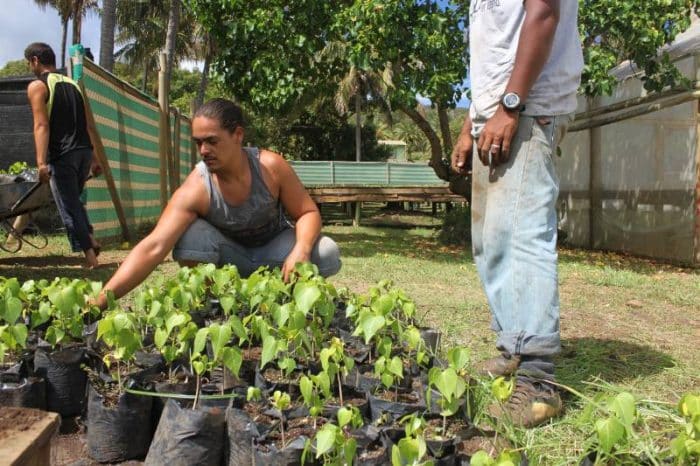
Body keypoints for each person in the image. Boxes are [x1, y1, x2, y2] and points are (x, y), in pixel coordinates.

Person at [451, 0, 583, 427]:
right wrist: (473, 122)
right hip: (495, 113)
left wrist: (510, 106)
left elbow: (543, 13)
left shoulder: (516, 106)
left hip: (526, 107)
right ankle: (515, 348)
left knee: (523, 234)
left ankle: (539, 380)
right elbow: (496, 48)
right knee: (492, 240)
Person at [96, 98, 341, 307]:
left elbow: (308, 212)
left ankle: (288, 302)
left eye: (212, 141)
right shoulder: (197, 187)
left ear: (238, 135)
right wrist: (100, 301)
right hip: (228, 259)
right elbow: (154, 246)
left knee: (325, 250)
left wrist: (302, 249)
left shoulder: (271, 167)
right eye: (198, 143)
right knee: (190, 235)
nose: (203, 150)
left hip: (274, 253)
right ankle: (215, 304)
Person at [24, 42, 102, 268]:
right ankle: (92, 239)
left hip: (63, 155)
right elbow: (89, 126)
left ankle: (89, 257)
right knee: (75, 202)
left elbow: (41, 125)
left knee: (68, 206)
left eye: (29, 63)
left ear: (36, 61)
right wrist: (95, 159)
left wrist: (40, 162)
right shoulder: (73, 84)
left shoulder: (38, 86)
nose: (30, 68)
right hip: (84, 152)